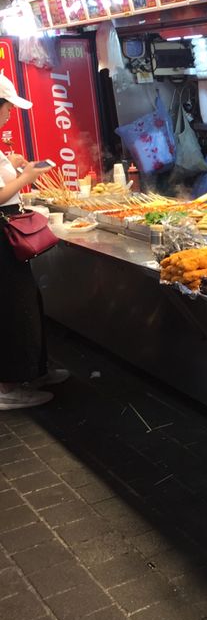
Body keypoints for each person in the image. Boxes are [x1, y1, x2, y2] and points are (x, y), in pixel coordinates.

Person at [0, 75, 69, 410]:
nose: (11, 114)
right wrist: (27, 177)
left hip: (7, 238)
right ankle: (9, 387)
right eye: (8, 107)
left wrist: (11, 164)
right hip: (1, 237)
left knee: (27, 300)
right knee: (11, 308)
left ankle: (34, 371)